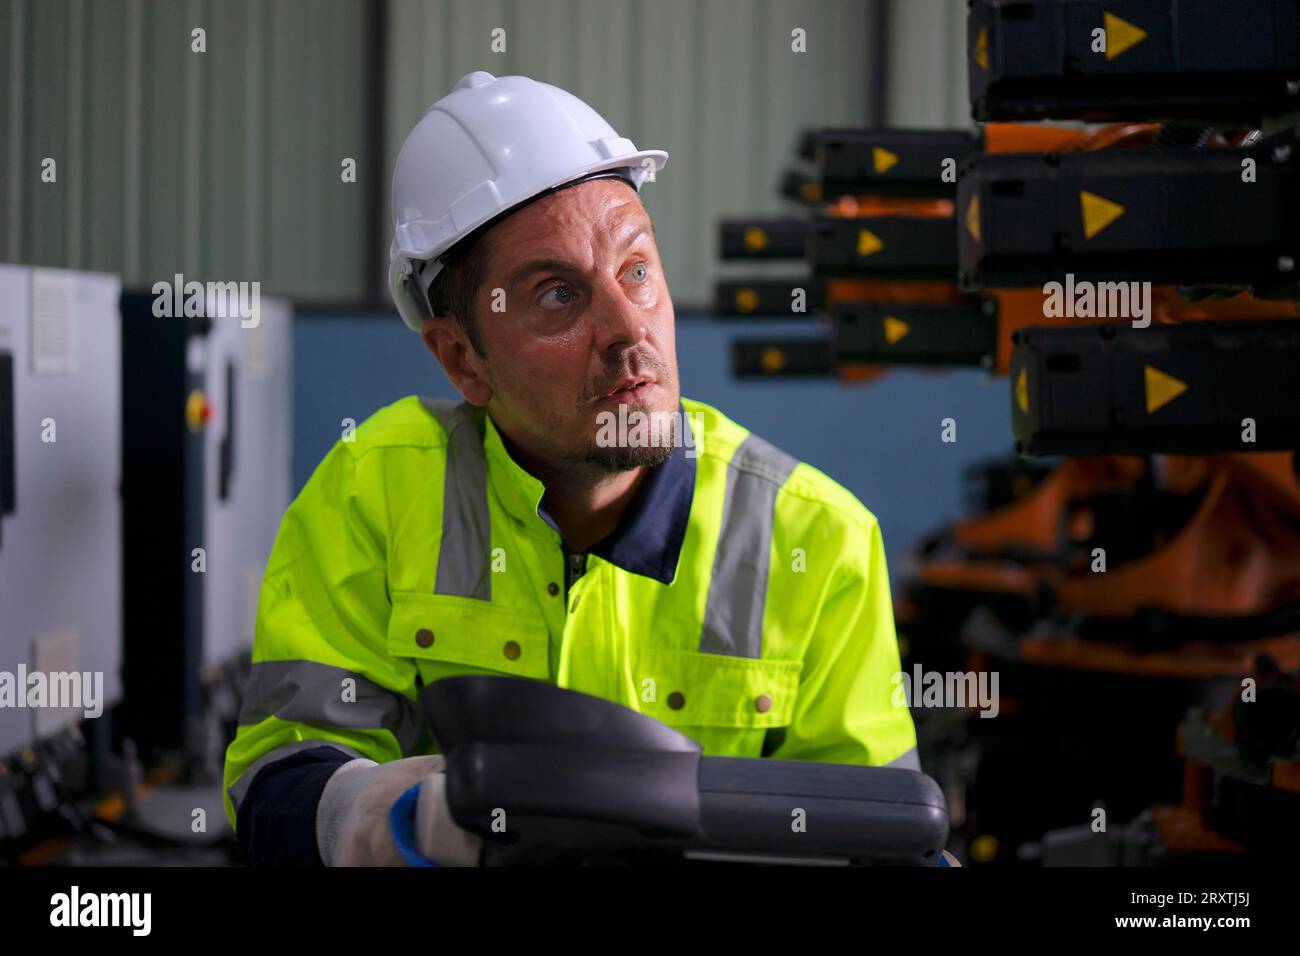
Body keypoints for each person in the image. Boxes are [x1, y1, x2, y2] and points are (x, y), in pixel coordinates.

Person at [223, 71, 917, 866]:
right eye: (557, 296)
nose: (631, 335)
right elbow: (278, 788)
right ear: (461, 359)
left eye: (637, 270)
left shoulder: (818, 543)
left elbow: (881, 838)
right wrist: (404, 819)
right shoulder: (371, 495)